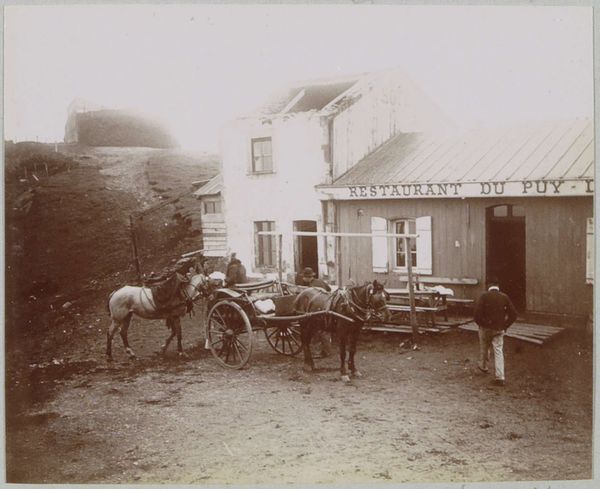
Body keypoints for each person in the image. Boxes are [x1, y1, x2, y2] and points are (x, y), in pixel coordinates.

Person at [474, 277, 518, 386]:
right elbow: (514, 314)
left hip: (485, 328)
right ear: (498, 286)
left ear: (488, 286)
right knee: (498, 351)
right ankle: (500, 377)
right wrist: (505, 326)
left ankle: (484, 366)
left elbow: (476, 315)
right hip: (499, 328)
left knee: (484, 347)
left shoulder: (484, 296)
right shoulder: (504, 297)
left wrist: (482, 324)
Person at [295, 266, 332, 358]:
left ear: (307, 277)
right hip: (328, 305)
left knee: (318, 329)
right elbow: (329, 289)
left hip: (318, 308)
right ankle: (327, 350)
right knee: (325, 329)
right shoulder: (320, 281)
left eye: (304, 277)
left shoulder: (310, 288)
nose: (303, 279)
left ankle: (320, 350)